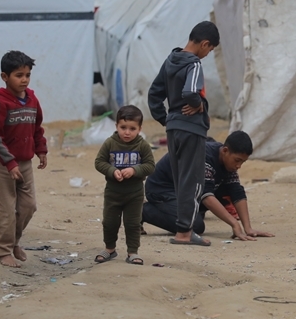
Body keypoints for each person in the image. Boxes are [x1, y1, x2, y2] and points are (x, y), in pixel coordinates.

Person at [147, 21, 220, 247]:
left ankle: (184, 228)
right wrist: (197, 104)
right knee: (194, 179)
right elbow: (190, 91)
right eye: (210, 50)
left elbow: (154, 94)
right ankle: (184, 233)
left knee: (180, 179)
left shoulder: (170, 60)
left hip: (174, 128)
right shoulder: (194, 63)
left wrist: (167, 119)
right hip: (191, 128)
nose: (208, 54)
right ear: (205, 44)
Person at [142, 130, 274, 241]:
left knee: (223, 193)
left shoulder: (228, 164)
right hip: (161, 190)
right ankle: (143, 211)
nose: (239, 166)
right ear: (225, 151)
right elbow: (206, 195)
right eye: (237, 160)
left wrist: (248, 228)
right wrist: (234, 224)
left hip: (184, 191)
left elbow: (237, 192)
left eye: (242, 162)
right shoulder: (204, 156)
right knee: (196, 226)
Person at [0, 50, 47, 268]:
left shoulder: (32, 100)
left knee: (29, 206)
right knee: (6, 210)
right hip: (1, 164)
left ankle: (15, 242)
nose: (24, 80)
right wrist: (9, 163)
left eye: (27, 75)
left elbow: (36, 127)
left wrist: (41, 150)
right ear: (4, 77)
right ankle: (4, 251)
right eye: (19, 75)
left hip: (25, 163)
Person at [94, 105, 156, 266]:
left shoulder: (142, 146)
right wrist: (112, 170)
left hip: (134, 194)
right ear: (116, 126)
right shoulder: (110, 143)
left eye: (132, 128)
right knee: (109, 222)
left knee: (133, 223)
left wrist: (135, 170)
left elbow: (150, 165)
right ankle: (109, 249)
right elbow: (99, 162)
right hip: (113, 192)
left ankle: (132, 252)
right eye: (123, 127)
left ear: (139, 129)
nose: (127, 132)